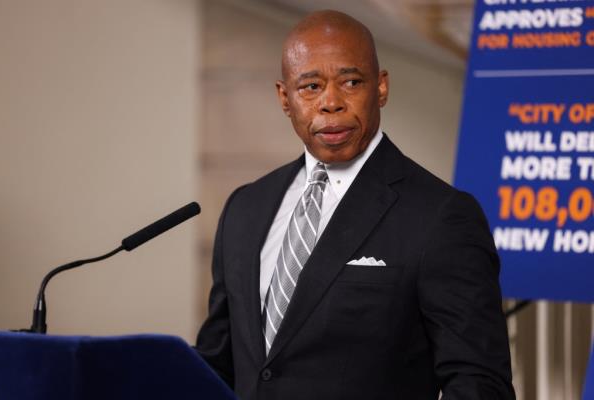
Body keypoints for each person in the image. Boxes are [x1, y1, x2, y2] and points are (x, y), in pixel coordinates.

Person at [196, 9, 515, 400]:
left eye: (350, 82)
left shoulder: (442, 216)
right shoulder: (244, 208)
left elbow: (480, 384)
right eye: (310, 87)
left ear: (380, 88)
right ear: (284, 97)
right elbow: (217, 365)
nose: (331, 103)